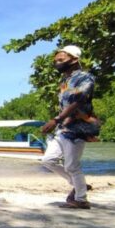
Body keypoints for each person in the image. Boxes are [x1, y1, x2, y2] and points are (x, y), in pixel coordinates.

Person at [40, 45, 96, 209]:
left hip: (78, 128)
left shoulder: (86, 78)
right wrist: (58, 122)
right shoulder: (65, 81)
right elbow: (63, 104)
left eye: (61, 60)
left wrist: (55, 120)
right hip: (62, 128)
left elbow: (78, 101)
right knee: (48, 160)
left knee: (72, 165)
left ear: (75, 59)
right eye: (56, 60)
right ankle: (80, 186)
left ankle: (81, 199)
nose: (57, 63)